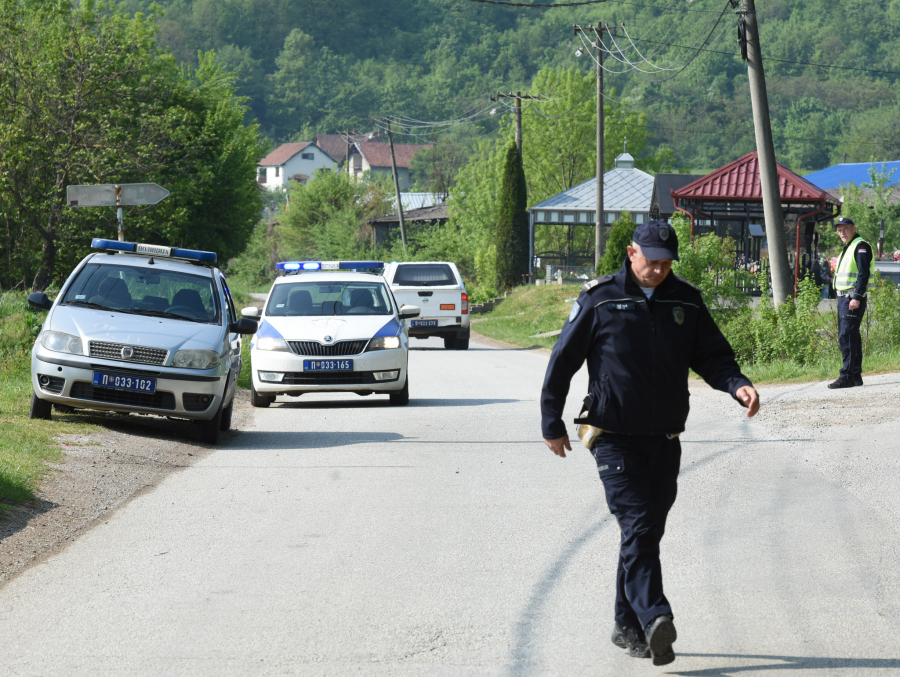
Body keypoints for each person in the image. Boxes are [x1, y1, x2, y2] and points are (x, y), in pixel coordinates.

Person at [540, 221, 760, 666]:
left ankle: (626, 624)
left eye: (665, 263)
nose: (658, 270)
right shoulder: (600, 299)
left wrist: (737, 384)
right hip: (612, 436)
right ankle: (655, 617)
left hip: (664, 438)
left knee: (644, 533)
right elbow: (563, 360)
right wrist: (551, 421)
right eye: (651, 260)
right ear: (631, 252)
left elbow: (712, 356)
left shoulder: (686, 300)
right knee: (639, 526)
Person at [829, 217, 873, 389]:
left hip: (851, 298)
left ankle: (846, 376)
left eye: (845, 228)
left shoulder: (861, 246)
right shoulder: (848, 248)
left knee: (846, 336)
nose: (842, 232)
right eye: (839, 230)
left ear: (854, 228)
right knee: (851, 336)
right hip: (844, 298)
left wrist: (857, 297)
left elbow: (863, 275)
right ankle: (854, 376)